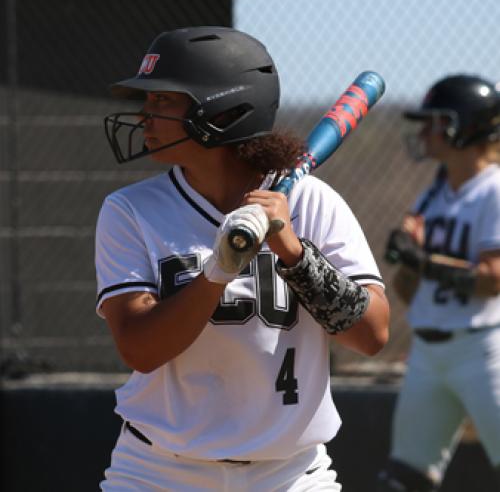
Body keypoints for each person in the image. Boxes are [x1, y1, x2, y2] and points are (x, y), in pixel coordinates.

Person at [96, 26, 390, 491]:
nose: (144, 117)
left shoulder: (312, 203)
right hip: (158, 471)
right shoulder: (130, 211)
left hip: (291, 474)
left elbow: (373, 334)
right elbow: (140, 349)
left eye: (162, 102)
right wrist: (220, 268)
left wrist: (292, 252)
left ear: (224, 112)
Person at [378, 74, 500, 491]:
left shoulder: (494, 190)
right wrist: (409, 261)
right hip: (428, 351)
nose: (426, 132)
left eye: (435, 122)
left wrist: (422, 260)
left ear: (465, 127)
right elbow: (409, 292)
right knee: (404, 479)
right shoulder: (433, 194)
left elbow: (493, 280)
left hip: (484, 348)